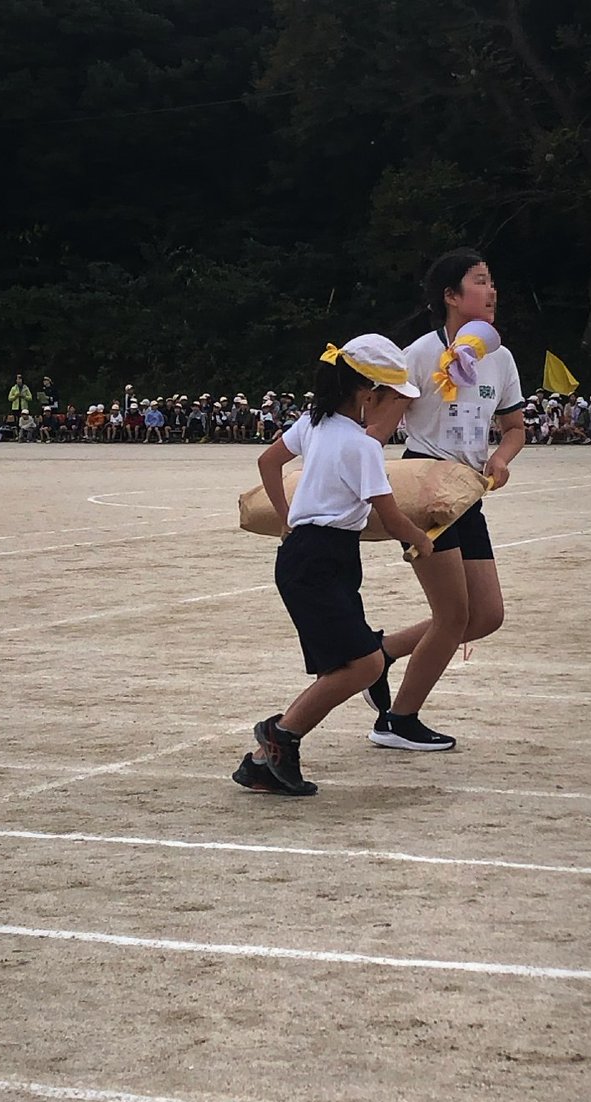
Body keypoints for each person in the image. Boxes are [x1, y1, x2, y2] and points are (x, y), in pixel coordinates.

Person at [233, 334, 431, 795]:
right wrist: (420, 537)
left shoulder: (314, 423)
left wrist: (288, 519)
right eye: (395, 400)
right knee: (363, 666)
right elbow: (390, 512)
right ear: (369, 394)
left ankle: (264, 763)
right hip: (322, 559)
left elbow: (268, 462)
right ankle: (280, 735)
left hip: (312, 555)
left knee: (347, 664)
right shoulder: (360, 446)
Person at [364, 248, 525, 751]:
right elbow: (380, 431)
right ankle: (397, 721)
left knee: (487, 616)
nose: (492, 290)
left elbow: (515, 428)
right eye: (481, 281)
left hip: (467, 491)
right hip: (424, 488)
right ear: (451, 296)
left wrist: (501, 458)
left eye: (492, 280)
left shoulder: (500, 357)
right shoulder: (415, 356)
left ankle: (382, 653)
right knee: (454, 615)